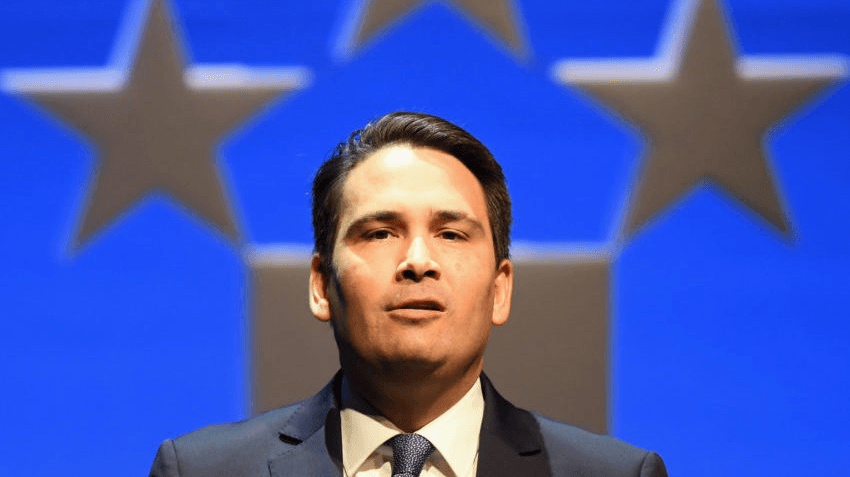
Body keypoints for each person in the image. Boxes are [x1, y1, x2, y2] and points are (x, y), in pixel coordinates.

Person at [149, 112, 668, 476]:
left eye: (451, 234)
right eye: (379, 233)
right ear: (320, 284)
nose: (418, 261)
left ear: (500, 288)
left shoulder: (614, 474)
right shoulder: (201, 471)